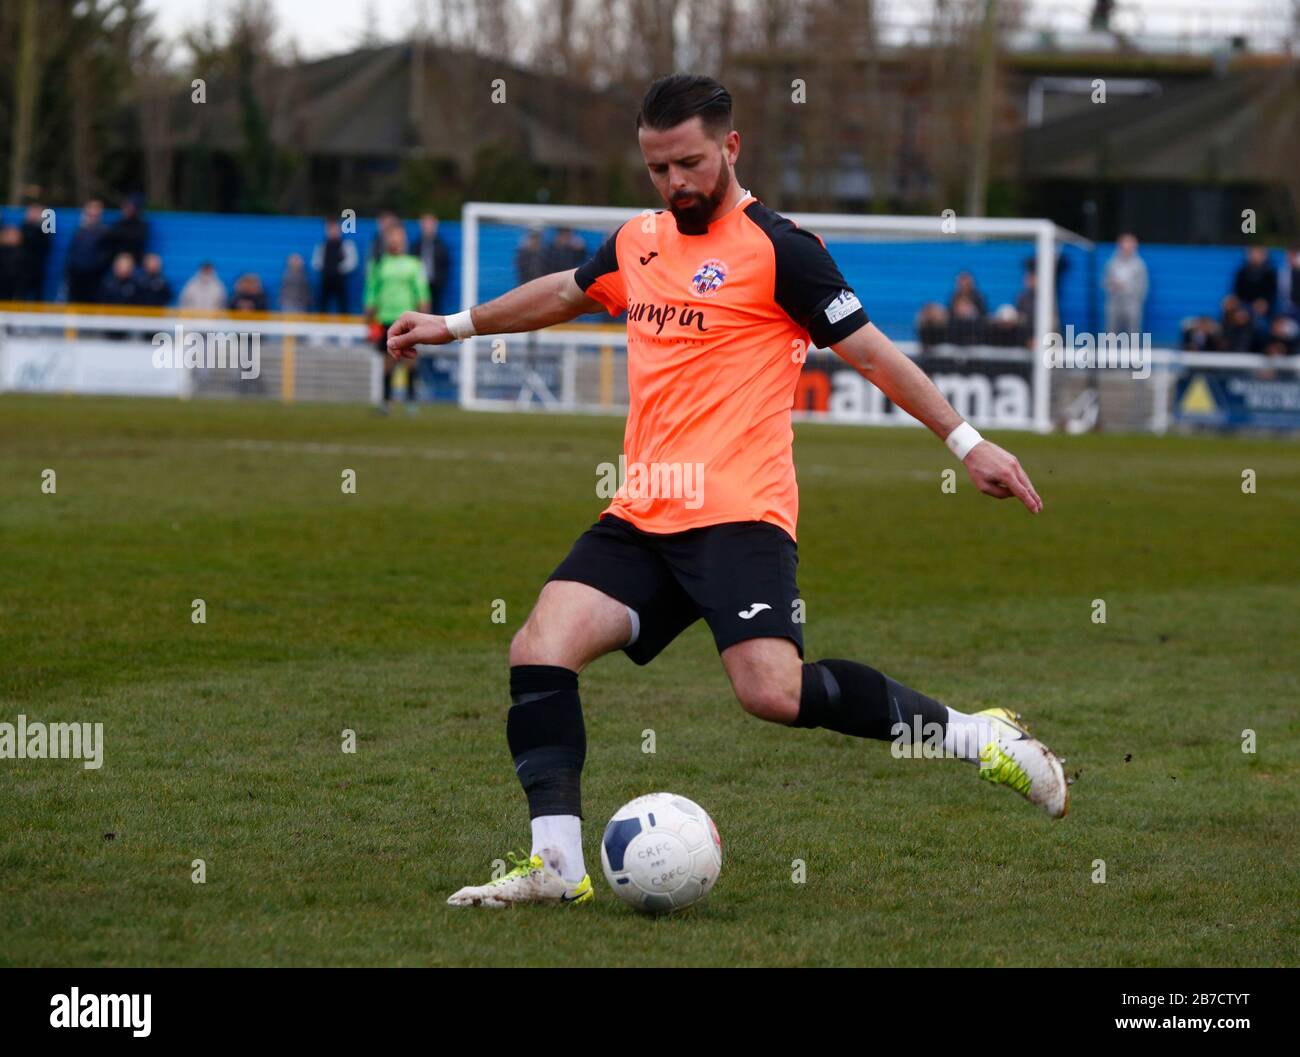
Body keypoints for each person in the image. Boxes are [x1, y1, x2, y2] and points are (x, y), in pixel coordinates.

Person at [386, 74, 1066, 909]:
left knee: (771, 693)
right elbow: (565, 290)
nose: (676, 183)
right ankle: (555, 867)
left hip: (741, 517)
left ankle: (973, 734)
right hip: (642, 514)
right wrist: (454, 327)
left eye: (691, 163)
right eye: (659, 167)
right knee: (538, 646)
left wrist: (967, 443)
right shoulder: (638, 240)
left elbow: (876, 355)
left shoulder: (782, 249)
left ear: (731, 148)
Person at [364, 224, 430, 410]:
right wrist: (369, 315)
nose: (394, 240)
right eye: (391, 236)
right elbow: (372, 291)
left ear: (404, 240)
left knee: (410, 360)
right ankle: (386, 400)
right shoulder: (380, 264)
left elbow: (422, 292)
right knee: (388, 360)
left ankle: (410, 400)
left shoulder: (414, 264)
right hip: (385, 318)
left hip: (407, 318)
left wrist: (424, 314)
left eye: (398, 236)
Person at [1102, 232, 1148, 336]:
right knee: (1111, 332)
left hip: (1132, 304)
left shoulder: (1139, 265)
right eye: (1125, 243)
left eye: (1130, 243)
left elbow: (1143, 287)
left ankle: (1133, 352)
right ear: (1120, 245)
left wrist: (1127, 290)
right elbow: (1105, 282)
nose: (1127, 246)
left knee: (1133, 333)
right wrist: (1112, 286)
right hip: (1114, 303)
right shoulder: (1112, 264)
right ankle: (1110, 351)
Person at [64, 199, 109, 304]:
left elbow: (106, 255)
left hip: (94, 279)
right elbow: (72, 252)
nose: (93, 213)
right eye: (90, 210)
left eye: (96, 210)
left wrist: (96, 268)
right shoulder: (79, 231)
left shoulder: (104, 231)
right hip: (76, 278)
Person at [312, 218, 358, 313]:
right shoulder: (322, 245)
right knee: (322, 305)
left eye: (335, 229)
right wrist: (324, 268)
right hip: (326, 278)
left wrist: (339, 269)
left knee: (342, 305)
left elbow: (352, 262)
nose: (332, 232)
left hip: (340, 279)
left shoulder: (346, 245)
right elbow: (315, 262)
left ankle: (345, 327)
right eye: (330, 229)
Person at [411, 212, 450, 314]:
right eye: (425, 224)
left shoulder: (441, 245)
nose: (428, 227)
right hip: (419, 285)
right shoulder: (415, 245)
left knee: (435, 313)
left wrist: (440, 282)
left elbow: (445, 265)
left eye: (430, 224)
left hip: (435, 284)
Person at [19, 202, 52, 301]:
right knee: (21, 293)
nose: (33, 214)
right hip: (22, 267)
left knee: (38, 294)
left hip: (37, 266)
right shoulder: (24, 226)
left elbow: (44, 245)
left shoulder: (44, 229)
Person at [1232, 246, 1276, 313]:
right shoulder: (1242, 272)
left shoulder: (1269, 273)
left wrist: (1264, 301)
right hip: (1244, 304)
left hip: (1263, 305)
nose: (1256, 255)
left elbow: (1272, 293)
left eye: (1259, 253)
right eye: (1253, 253)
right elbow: (1237, 291)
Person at [107, 194, 149, 264]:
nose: (125, 209)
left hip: (134, 261)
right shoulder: (117, 224)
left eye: (129, 207)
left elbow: (136, 243)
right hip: (116, 261)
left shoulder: (142, 226)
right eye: (125, 206)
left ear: (136, 209)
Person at [0, 226, 23, 300]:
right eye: (7, 235)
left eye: (13, 235)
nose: (10, 237)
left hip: (14, 289)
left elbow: (24, 276)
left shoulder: (23, 255)